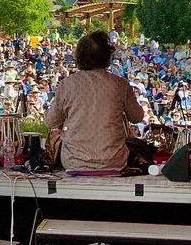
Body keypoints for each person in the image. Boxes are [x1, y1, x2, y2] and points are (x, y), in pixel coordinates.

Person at [46, 32, 145, 172]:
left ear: (79, 56)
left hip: (74, 161)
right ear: (107, 56)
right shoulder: (120, 84)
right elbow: (137, 117)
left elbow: (51, 122)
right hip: (114, 161)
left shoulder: (67, 84)